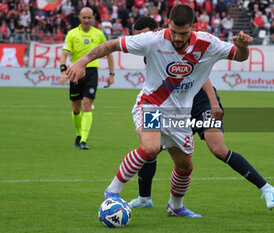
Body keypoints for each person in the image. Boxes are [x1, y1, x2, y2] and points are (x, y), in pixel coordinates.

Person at [67, 4, 253, 218]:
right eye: (173, 31)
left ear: (192, 28)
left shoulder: (207, 42)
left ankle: (175, 207)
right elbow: (111, 45)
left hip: (179, 114)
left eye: (183, 33)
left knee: (185, 166)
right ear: (168, 25)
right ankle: (112, 191)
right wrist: (82, 61)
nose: (177, 37)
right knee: (150, 148)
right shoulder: (154, 39)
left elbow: (239, 56)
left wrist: (243, 47)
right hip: (151, 104)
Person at [128, 16, 274, 211]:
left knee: (218, 149)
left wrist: (213, 102)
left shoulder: (174, 44)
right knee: (150, 149)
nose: (141, 40)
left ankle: (266, 188)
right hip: (176, 108)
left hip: (202, 104)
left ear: (157, 30)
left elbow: (202, 75)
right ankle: (145, 198)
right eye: (137, 37)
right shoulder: (151, 50)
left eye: (145, 35)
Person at [59, 7, 115, 150]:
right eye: (84, 17)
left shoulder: (98, 34)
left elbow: (109, 53)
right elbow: (64, 54)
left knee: (87, 105)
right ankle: (79, 135)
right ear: (79, 17)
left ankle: (84, 140)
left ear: (93, 18)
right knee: (76, 109)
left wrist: (111, 74)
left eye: (89, 18)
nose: (86, 20)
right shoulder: (72, 34)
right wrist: (63, 71)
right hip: (75, 72)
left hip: (91, 72)